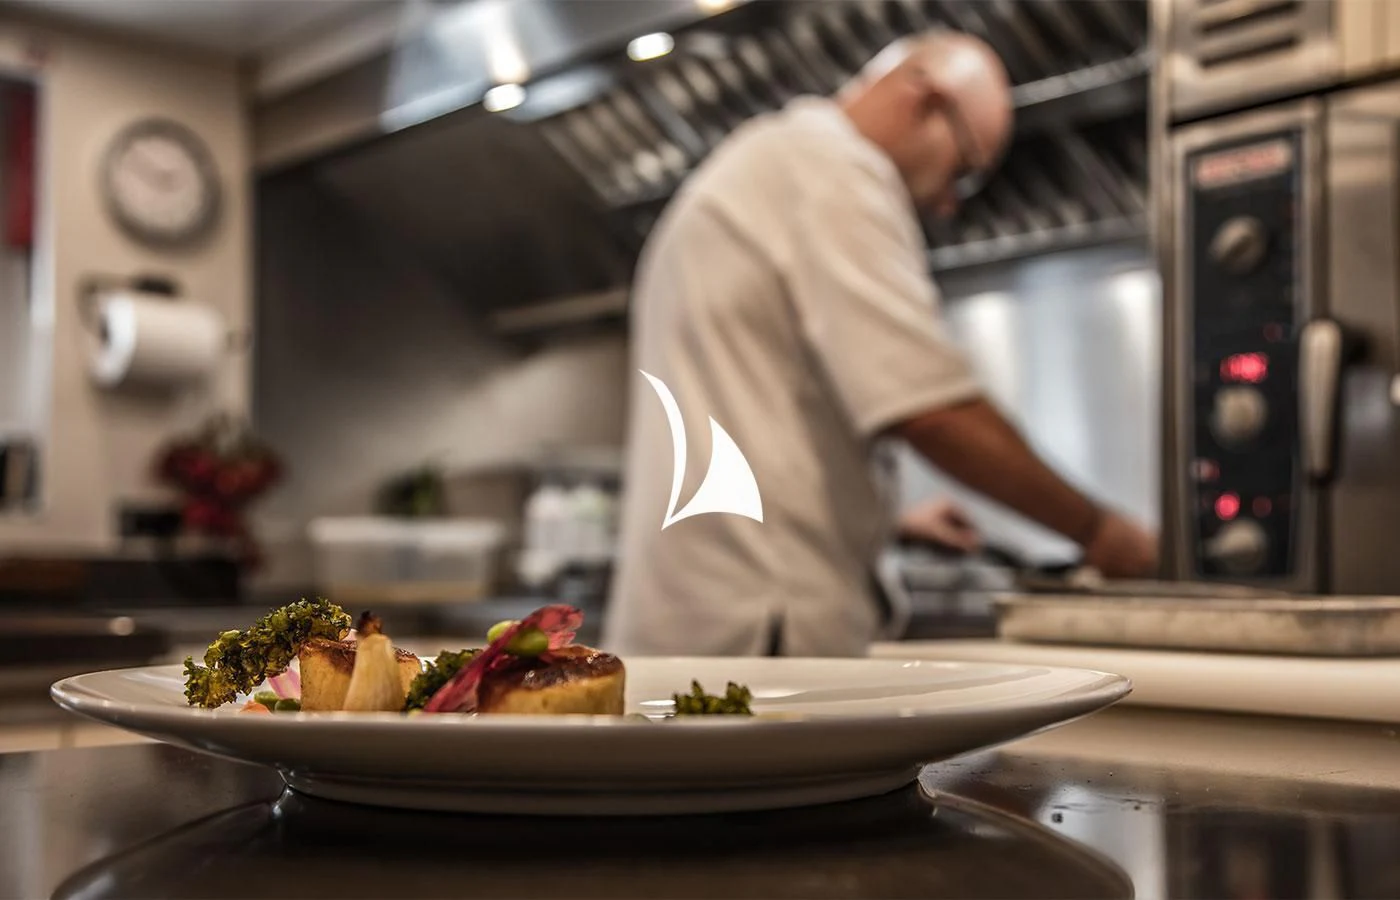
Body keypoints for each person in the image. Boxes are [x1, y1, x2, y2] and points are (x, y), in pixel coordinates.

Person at [603, 32, 1157, 658]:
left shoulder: (763, 162)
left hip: (700, 614)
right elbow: (931, 410)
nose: (948, 203)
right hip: (760, 629)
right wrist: (1101, 531)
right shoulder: (833, 169)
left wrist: (892, 522)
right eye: (964, 171)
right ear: (924, 100)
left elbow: (747, 420)